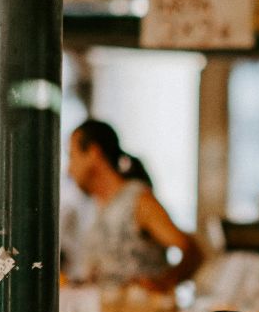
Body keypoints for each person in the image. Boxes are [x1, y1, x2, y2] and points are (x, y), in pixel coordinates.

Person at [64, 120, 202, 291]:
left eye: (72, 156)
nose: (68, 170)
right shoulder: (95, 207)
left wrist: (164, 282)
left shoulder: (138, 200)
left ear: (93, 153)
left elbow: (193, 251)